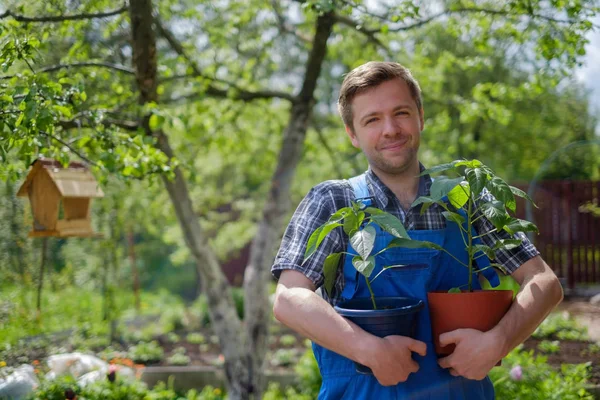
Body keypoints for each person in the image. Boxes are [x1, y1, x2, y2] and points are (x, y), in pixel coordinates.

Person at [271, 61, 563, 399]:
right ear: (352, 134)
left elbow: (544, 281)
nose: (390, 129)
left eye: (401, 113)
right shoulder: (333, 201)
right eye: (372, 120)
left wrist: (497, 342)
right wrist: (368, 349)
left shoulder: (466, 198)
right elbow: (289, 298)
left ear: (421, 116)